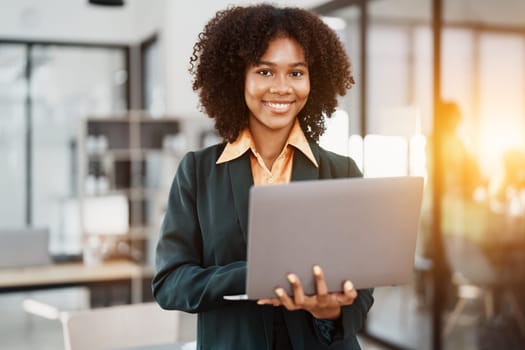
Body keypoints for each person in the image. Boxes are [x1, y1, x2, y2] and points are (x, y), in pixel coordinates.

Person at [152, 4, 374, 349]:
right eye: (265, 72)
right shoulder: (197, 172)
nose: (282, 88)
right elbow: (170, 283)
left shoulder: (342, 171)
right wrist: (253, 276)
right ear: (237, 77)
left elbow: (360, 297)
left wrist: (328, 310)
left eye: (296, 73)